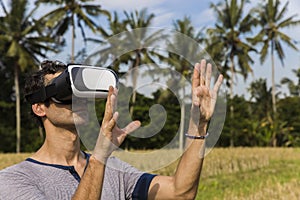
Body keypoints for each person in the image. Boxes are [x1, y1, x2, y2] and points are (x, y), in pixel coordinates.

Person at [0, 59, 223, 200]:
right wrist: (99, 158)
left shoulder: (114, 169)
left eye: (82, 94)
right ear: (40, 108)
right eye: (67, 95)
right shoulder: (14, 180)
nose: (79, 101)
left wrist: (199, 124)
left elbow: (180, 192)